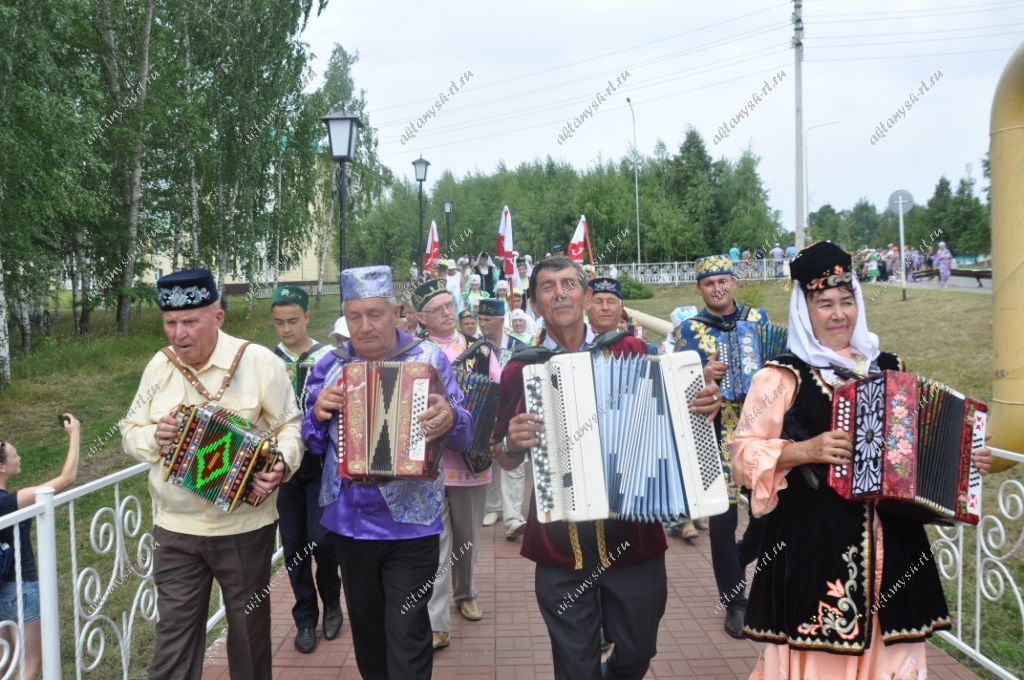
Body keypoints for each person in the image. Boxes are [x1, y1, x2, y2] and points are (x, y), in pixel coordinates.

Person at [730, 242, 993, 679]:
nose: (838, 314)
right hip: (814, 560)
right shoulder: (781, 375)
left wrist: (964, 461)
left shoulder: (888, 367)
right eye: (825, 303)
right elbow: (741, 454)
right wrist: (803, 451)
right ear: (804, 310)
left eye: (846, 301)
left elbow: (916, 449)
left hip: (896, 560)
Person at [492, 256, 723, 680]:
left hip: (632, 538)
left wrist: (703, 403)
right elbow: (501, 453)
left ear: (584, 296)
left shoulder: (629, 351)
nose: (560, 293)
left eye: (568, 284)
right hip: (561, 547)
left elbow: (677, 412)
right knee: (574, 667)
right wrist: (511, 441)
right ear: (535, 305)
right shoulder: (521, 369)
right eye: (547, 287)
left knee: (638, 649)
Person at [121, 268, 302, 680]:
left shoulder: (257, 362)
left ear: (218, 317)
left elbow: (291, 427)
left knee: (248, 636)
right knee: (174, 641)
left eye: (190, 321)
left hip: (243, 526)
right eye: (170, 323)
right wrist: (155, 435)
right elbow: (130, 433)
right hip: (175, 529)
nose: (178, 334)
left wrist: (281, 463)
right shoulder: (159, 366)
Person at [302, 266, 472, 679]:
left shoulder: (428, 358)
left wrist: (449, 417)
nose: (365, 326)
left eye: (375, 314)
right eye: (354, 316)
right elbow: (310, 442)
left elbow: (466, 434)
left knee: (409, 631)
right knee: (369, 635)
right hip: (349, 524)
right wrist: (317, 415)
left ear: (397, 312)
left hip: (412, 524)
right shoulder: (329, 365)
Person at [672, 255, 770, 638]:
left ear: (734, 283)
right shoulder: (688, 330)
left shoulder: (758, 320)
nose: (718, 288)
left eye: (723, 281)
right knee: (723, 521)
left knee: (768, 512)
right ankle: (735, 601)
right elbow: (677, 385)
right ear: (700, 288)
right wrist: (701, 372)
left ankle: (738, 558)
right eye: (709, 283)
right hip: (712, 435)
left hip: (759, 430)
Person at [411, 280, 496, 650]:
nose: (447, 312)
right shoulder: (416, 354)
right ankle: (437, 620)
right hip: (431, 463)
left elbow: (497, 393)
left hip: (470, 460)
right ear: (421, 318)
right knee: (438, 540)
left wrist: (492, 432)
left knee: (467, 539)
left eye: (450, 305)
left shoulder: (480, 351)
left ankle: (466, 592)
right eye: (438, 308)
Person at [269, 285, 343, 653]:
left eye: (293, 321)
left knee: (322, 539)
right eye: (279, 322)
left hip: (318, 464)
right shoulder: (267, 360)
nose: (286, 329)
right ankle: (305, 617)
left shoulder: (328, 358)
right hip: (283, 469)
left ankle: (332, 601)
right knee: (294, 544)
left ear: (307, 317)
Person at [0, 414, 80, 679]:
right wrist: (74, 433)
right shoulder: (10, 502)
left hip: (3, 589)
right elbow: (67, 478)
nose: (19, 457)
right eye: (14, 454)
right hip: (21, 589)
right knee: (30, 666)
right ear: (2, 467)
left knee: (6, 663)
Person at [478, 298, 529, 541]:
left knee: (514, 462)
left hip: (512, 413)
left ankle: (513, 517)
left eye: (487, 319)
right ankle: (492, 507)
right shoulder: (475, 348)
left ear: (500, 320)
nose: (482, 323)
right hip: (485, 413)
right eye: (480, 319)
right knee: (488, 458)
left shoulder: (519, 347)